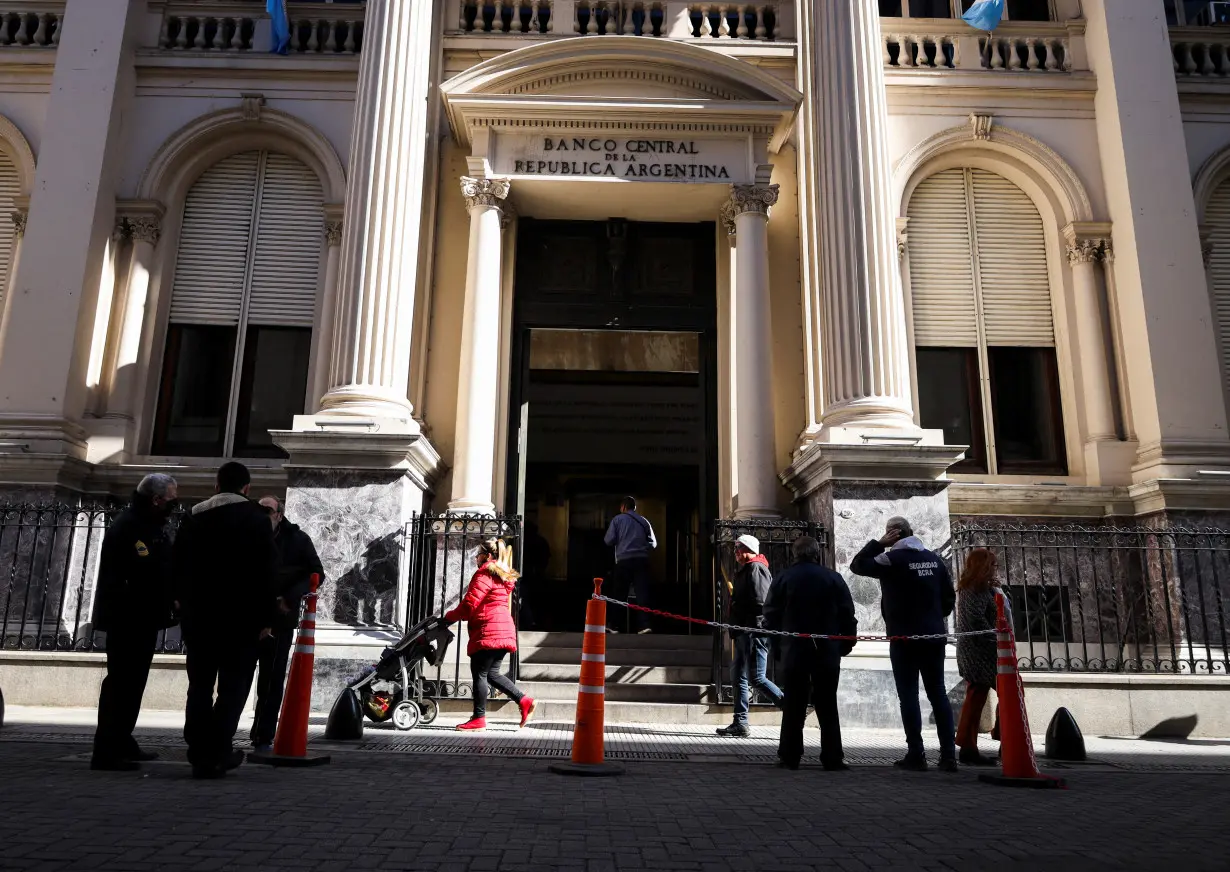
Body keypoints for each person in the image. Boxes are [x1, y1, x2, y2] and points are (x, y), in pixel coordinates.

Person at [174, 462, 278, 779]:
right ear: (246, 489)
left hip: (199, 617)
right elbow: (266, 572)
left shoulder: (193, 516)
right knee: (233, 687)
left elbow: (178, 564)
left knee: (200, 685)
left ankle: (197, 747)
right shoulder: (256, 519)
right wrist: (266, 618)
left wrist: (182, 604)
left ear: (217, 485)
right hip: (241, 619)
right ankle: (217, 749)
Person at [851, 516, 958, 772]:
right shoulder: (935, 559)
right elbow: (948, 598)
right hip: (933, 636)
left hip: (903, 637)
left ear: (893, 535)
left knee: (908, 695)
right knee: (938, 693)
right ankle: (948, 757)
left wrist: (878, 543)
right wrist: (933, 618)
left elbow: (857, 565)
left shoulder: (891, 559)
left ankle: (916, 753)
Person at [90, 474, 180, 771]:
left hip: (143, 617)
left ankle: (122, 740)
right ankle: (107, 749)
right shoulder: (129, 526)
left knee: (133, 682)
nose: (173, 505)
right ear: (156, 499)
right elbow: (137, 574)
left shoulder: (149, 525)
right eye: (171, 499)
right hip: (127, 617)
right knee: (121, 682)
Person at [763, 535, 857, 771]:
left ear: (795, 554)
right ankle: (833, 756)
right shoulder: (833, 578)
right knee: (827, 704)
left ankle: (789, 755)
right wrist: (846, 644)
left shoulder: (784, 578)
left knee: (794, 704)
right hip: (827, 651)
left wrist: (777, 646)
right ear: (817, 554)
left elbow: (771, 615)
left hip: (794, 650)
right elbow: (848, 614)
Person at [249, 496, 323, 753]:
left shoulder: (297, 540)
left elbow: (315, 573)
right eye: (258, 510)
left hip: (279, 619)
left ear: (279, 515)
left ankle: (263, 734)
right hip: (249, 617)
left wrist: (290, 599)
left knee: (271, 680)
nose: (263, 515)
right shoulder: (248, 536)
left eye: (267, 511)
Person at [444, 538, 536, 732]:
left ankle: (478, 718)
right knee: (492, 674)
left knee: (480, 674)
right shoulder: (502, 576)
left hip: (489, 630)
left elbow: (469, 604)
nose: (476, 558)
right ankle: (524, 700)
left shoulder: (484, 573)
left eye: (478, 554)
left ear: (486, 556)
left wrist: (448, 618)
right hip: (503, 630)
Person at [716, 534, 783, 738]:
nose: (736, 552)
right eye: (735, 548)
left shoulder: (756, 568)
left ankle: (791, 707)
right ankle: (740, 722)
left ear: (749, 550)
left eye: (739, 548)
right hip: (744, 631)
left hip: (753, 631)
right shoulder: (747, 569)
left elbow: (761, 602)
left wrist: (738, 605)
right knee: (739, 677)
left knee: (756, 678)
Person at [955, 547, 1004, 766]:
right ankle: (970, 746)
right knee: (980, 696)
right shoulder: (974, 588)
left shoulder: (983, 588)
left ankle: (975, 744)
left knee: (986, 695)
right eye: (993, 565)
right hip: (979, 652)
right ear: (983, 566)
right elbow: (975, 619)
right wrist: (996, 638)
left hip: (984, 650)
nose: (996, 569)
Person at [603, 496, 657, 634]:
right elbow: (653, 543)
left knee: (619, 594)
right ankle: (645, 625)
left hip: (624, 561)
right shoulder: (644, 521)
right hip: (641, 561)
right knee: (642, 593)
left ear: (623, 507)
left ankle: (614, 626)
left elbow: (608, 540)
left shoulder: (617, 520)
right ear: (635, 508)